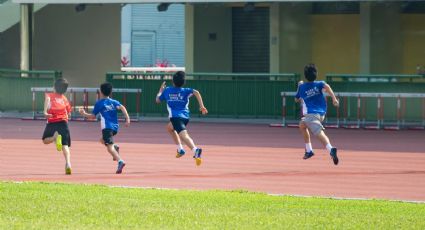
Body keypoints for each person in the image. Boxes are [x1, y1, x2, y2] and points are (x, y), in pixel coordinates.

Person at [156, 71, 208, 166]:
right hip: (185, 117)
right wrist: (202, 106)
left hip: (176, 118)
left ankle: (195, 150)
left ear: (173, 81)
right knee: (169, 128)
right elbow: (196, 92)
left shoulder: (167, 90)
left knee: (184, 135)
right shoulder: (185, 91)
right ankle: (180, 149)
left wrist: (160, 90)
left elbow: (157, 100)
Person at [79, 82, 130, 174]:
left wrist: (83, 114)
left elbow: (93, 116)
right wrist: (127, 118)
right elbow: (122, 107)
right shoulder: (113, 102)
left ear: (101, 92)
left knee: (109, 148)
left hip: (107, 128)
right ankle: (115, 147)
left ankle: (120, 161)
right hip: (115, 128)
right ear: (110, 92)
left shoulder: (99, 103)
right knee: (102, 140)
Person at [295, 64, 340, 165]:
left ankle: (331, 149)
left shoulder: (302, 87)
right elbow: (327, 87)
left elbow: (296, 99)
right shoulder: (320, 84)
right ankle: (309, 150)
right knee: (302, 125)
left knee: (319, 132)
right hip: (321, 114)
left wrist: (299, 86)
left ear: (305, 76)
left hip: (312, 115)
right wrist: (334, 99)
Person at [42, 78, 73, 174]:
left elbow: (47, 99)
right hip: (63, 122)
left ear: (54, 87)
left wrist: (45, 112)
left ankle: (54, 137)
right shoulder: (64, 98)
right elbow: (69, 112)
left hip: (52, 121)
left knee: (45, 140)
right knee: (65, 145)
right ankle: (68, 164)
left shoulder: (50, 95)